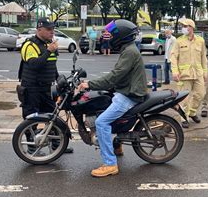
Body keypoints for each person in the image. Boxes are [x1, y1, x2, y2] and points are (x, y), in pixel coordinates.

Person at [77, 19, 147, 178]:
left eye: (110, 34)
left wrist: (90, 84)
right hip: (126, 90)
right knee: (104, 104)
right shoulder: (128, 49)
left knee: (101, 122)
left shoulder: (130, 51)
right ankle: (117, 145)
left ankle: (110, 164)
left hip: (130, 95)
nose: (107, 36)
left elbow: (114, 76)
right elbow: (120, 74)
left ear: (120, 36)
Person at [18, 17, 73, 153]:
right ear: (39, 29)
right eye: (48, 29)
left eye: (53, 29)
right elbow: (35, 65)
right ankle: (31, 147)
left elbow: (51, 65)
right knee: (31, 118)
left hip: (46, 88)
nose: (52, 32)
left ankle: (56, 145)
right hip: (31, 88)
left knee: (52, 117)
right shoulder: (29, 45)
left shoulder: (49, 44)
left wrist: (60, 80)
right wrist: (49, 50)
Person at [170, 18, 207, 128]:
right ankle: (184, 117)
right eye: (183, 26)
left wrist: (205, 72)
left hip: (198, 73)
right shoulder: (179, 41)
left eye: (186, 26)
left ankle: (192, 112)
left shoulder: (200, 41)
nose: (184, 28)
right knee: (184, 99)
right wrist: (175, 72)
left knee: (200, 94)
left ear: (191, 28)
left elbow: (203, 58)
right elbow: (173, 57)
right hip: (184, 74)